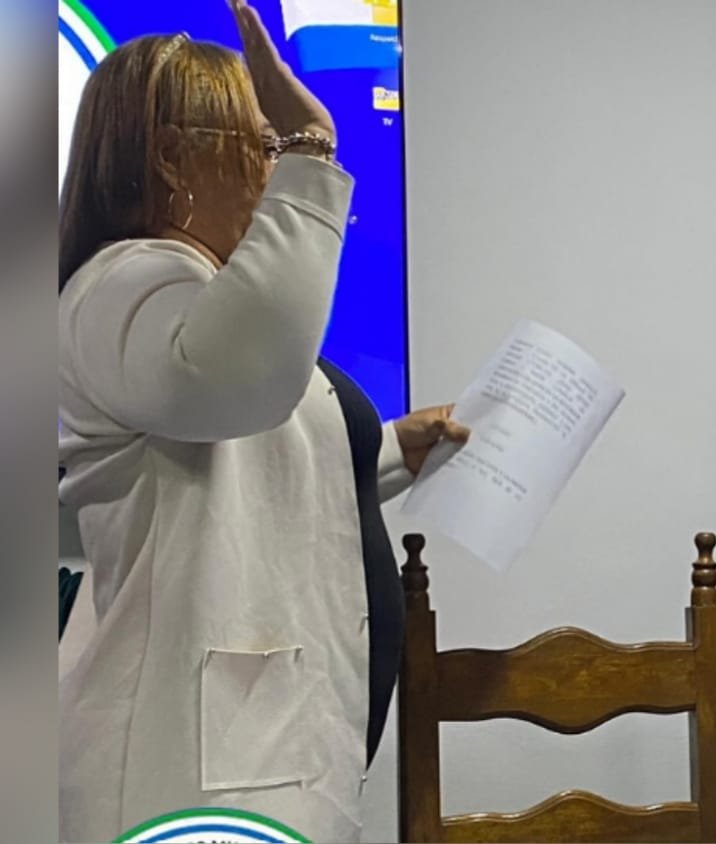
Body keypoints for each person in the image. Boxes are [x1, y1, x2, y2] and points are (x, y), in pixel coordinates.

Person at [56, 2, 468, 840]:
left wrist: (393, 453)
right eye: (261, 143)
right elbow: (237, 382)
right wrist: (315, 149)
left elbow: (246, 464)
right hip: (190, 764)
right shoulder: (119, 286)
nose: (273, 163)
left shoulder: (203, 299)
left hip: (265, 745)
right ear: (171, 156)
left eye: (279, 147)